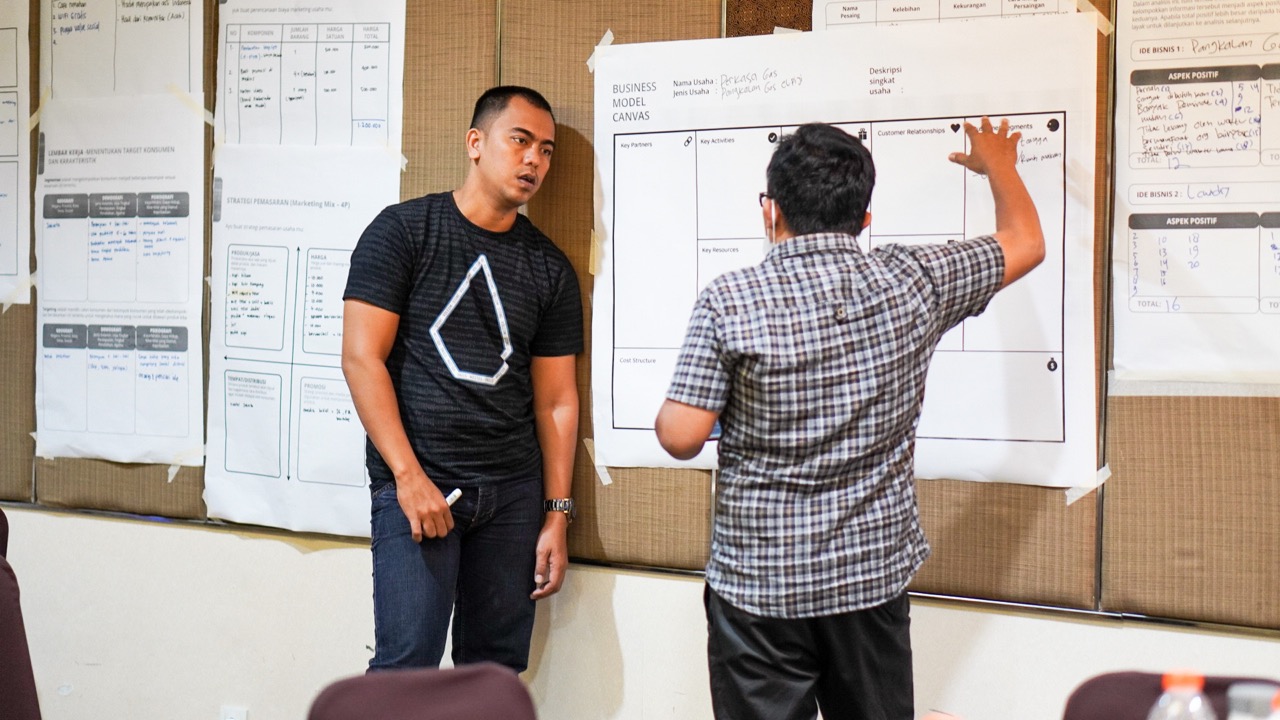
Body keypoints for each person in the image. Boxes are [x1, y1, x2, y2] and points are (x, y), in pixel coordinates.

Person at [654, 117, 1044, 719]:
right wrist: (999, 165)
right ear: (864, 219)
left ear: (770, 210)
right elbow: (1025, 241)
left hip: (760, 584)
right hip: (869, 578)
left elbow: (681, 436)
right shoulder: (915, 280)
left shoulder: (729, 301)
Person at [341, 86, 582, 673]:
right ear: (476, 143)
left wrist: (556, 513)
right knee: (406, 669)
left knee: (494, 674)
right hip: (420, 484)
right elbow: (361, 358)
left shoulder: (550, 268)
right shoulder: (403, 232)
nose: (533, 160)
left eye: (546, 150)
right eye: (520, 141)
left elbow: (556, 402)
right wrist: (407, 478)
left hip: (512, 494)